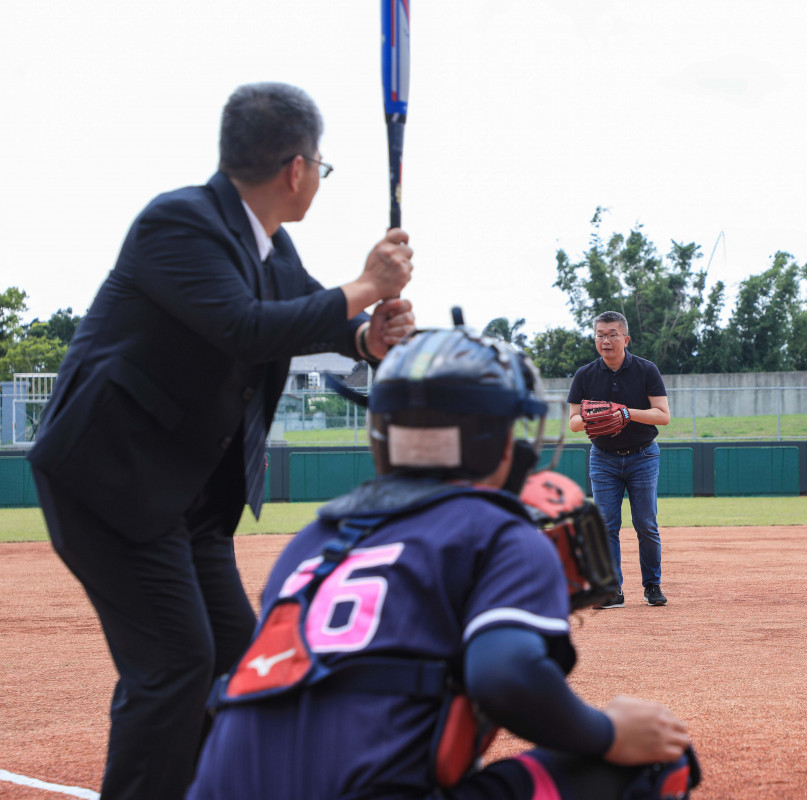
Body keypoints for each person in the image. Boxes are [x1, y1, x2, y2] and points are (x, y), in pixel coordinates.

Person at [26, 82, 415, 799]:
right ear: (297, 169)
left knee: (234, 660)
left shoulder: (268, 244)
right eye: (320, 168)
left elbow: (309, 319)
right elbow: (244, 326)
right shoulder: (178, 223)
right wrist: (365, 285)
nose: (316, 181)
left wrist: (368, 337)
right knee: (175, 663)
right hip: (110, 484)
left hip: (187, 499)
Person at [186, 324, 700, 800]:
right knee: (662, 760)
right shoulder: (499, 532)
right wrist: (607, 732)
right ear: (499, 438)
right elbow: (506, 676)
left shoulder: (316, 538)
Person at [568, 311, 671, 609]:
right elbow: (574, 422)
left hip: (643, 456)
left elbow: (663, 416)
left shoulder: (646, 369)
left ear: (625, 339)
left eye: (612, 334)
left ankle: (652, 585)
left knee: (645, 523)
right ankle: (613, 590)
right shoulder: (585, 375)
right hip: (603, 458)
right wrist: (595, 416)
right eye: (600, 334)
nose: (605, 340)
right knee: (606, 524)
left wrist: (626, 412)